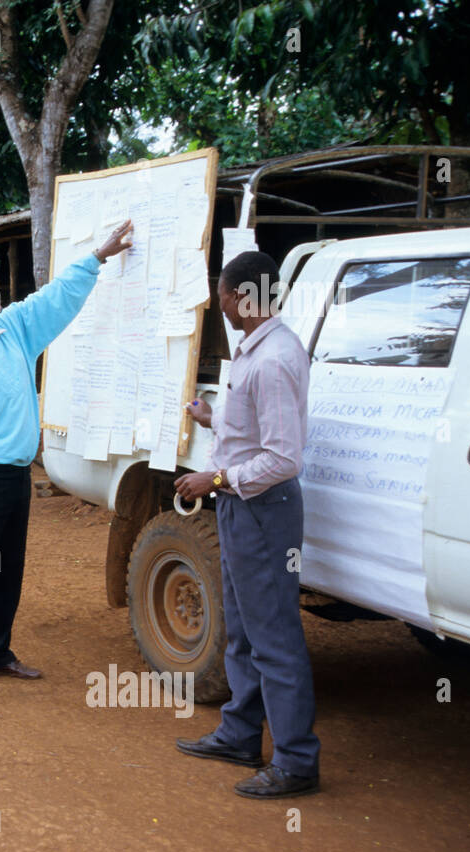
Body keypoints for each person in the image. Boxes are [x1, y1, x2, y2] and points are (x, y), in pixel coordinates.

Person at [0, 221, 133, 693]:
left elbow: (55, 299)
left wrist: (97, 256)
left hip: (15, 479)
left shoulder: (13, 329)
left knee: (4, 567)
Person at [174, 250, 320, 799]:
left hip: (263, 510)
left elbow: (283, 459)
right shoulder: (257, 351)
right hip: (245, 506)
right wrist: (216, 419)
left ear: (242, 296)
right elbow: (259, 433)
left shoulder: (274, 358)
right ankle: (240, 733)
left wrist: (212, 480)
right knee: (243, 626)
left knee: (274, 636)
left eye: (222, 292)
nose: (218, 303)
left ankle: (297, 761)